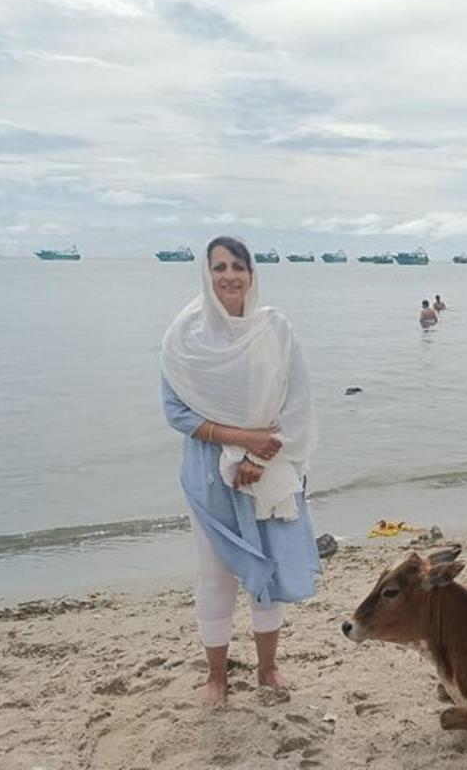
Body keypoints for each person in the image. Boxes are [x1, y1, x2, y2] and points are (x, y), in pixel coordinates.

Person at [160, 235, 321, 705]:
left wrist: (255, 455)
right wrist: (240, 439)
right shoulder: (185, 337)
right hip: (210, 475)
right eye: (218, 267)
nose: (228, 275)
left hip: (268, 466)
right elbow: (176, 412)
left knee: (265, 573)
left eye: (238, 266)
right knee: (215, 576)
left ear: (253, 274)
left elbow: (299, 401)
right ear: (206, 275)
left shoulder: (275, 330)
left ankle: (268, 669)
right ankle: (217, 677)